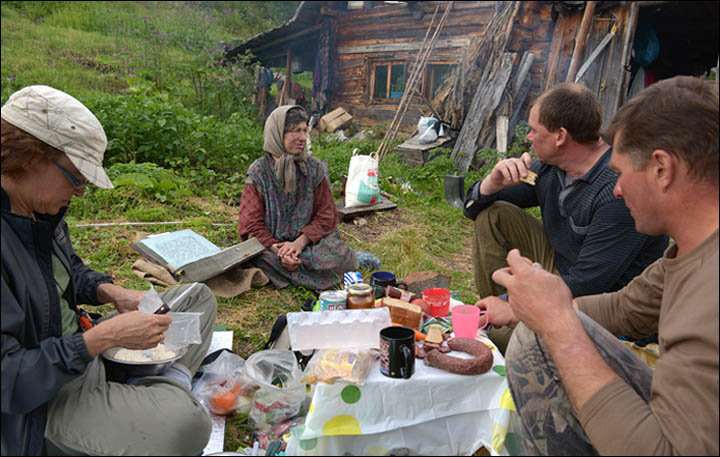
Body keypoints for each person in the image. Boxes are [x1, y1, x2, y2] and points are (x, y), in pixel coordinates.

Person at [481, 75, 718, 455]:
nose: (617, 188)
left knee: (538, 339)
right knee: (535, 334)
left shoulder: (710, 295)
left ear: (662, 169)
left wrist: (557, 325)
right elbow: (626, 307)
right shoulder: (690, 251)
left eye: (621, 174)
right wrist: (533, 309)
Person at [1, 85, 218, 456]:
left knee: (198, 299)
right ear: (32, 157)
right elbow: (9, 379)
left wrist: (110, 292)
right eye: (76, 178)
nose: (80, 192)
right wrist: (100, 340)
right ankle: (156, 390)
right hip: (43, 402)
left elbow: (66, 271)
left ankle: (144, 388)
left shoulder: (40, 209)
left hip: (82, 349)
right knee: (188, 424)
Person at [463, 82, 668, 353]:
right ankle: (490, 314)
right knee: (494, 215)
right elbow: (472, 208)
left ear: (560, 136)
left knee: (517, 346)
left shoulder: (616, 193)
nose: (528, 138)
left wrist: (513, 306)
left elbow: (588, 283)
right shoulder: (549, 169)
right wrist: (493, 181)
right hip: (562, 268)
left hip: (604, 306)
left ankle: (500, 324)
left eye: (534, 130)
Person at [237, 105, 358, 292]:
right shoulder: (259, 172)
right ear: (278, 134)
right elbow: (251, 223)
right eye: (296, 131)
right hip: (272, 246)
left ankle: (284, 272)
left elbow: (327, 215)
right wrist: (278, 250)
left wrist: (299, 243)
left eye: (305, 131)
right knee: (255, 256)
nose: (303, 138)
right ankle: (291, 266)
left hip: (308, 243)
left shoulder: (314, 168)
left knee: (337, 255)